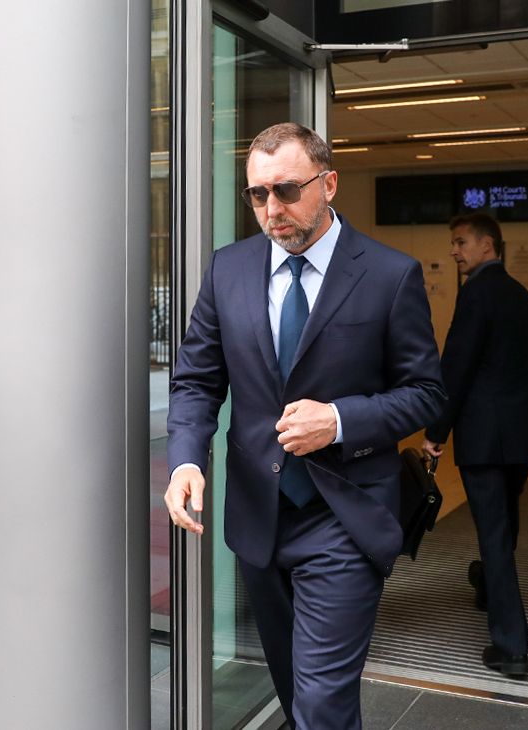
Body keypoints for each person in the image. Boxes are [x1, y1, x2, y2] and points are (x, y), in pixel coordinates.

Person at [164, 122, 445, 730]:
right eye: (257, 194)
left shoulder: (388, 274)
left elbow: (426, 394)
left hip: (344, 516)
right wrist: (186, 459)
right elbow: (196, 380)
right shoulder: (228, 270)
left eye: (287, 190)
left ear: (329, 184)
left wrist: (340, 420)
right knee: (299, 698)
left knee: (320, 706)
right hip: (258, 519)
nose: (272, 209)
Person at [422, 213, 528, 679]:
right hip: (519, 436)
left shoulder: (475, 293)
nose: (454, 251)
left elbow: (456, 367)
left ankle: (511, 646)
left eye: (461, 242)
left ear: (487, 245)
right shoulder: (521, 295)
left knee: (494, 535)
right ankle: (487, 587)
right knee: (504, 523)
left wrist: (436, 431)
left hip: (484, 436)